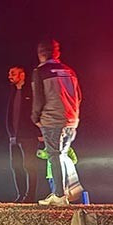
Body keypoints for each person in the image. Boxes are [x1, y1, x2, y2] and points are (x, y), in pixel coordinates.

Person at [32, 40, 82, 206]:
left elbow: (39, 98)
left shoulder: (40, 71)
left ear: (40, 54)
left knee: (54, 155)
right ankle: (68, 190)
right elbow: (79, 96)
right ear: (57, 53)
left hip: (52, 119)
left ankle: (59, 195)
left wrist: (35, 117)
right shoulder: (70, 71)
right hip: (71, 119)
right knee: (62, 154)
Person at [5, 65, 44, 203]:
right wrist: (10, 133)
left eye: (13, 73)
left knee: (29, 165)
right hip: (14, 136)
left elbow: (38, 112)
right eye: (10, 73)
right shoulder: (12, 91)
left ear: (22, 75)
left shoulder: (31, 91)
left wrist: (40, 132)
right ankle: (21, 195)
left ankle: (30, 196)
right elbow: (10, 114)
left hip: (29, 136)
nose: (10, 76)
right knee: (16, 166)